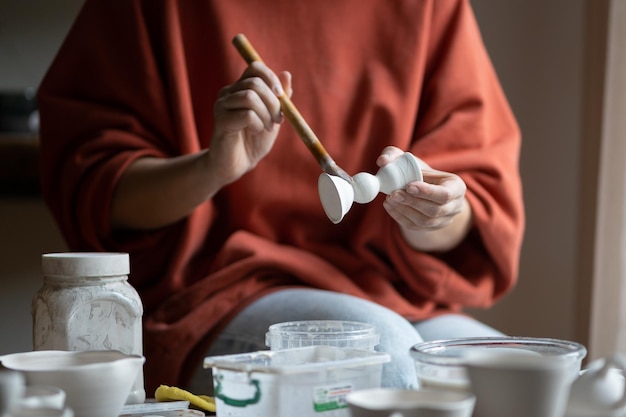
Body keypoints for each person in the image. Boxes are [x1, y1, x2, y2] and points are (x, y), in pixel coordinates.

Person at [37, 0, 524, 393]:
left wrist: (434, 214)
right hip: (220, 292)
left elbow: (474, 202)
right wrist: (214, 166)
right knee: (381, 361)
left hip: (393, 288)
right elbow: (96, 184)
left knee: (519, 374)